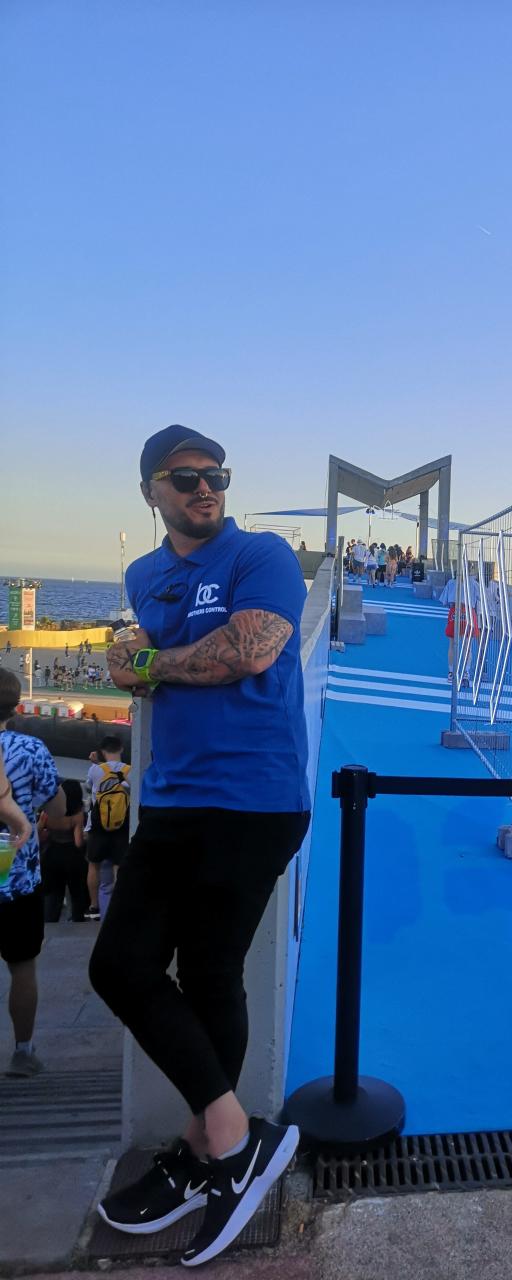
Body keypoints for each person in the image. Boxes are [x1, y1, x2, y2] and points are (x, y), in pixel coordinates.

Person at [89, 424, 311, 1267]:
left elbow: (250, 652)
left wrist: (149, 663)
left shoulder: (264, 556)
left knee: (207, 971)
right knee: (127, 966)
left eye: (215, 474)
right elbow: (136, 656)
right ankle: (223, 1141)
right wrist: (138, 657)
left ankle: (213, 1147)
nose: (204, 488)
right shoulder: (145, 574)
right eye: (183, 478)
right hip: (173, 797)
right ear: (150, 491)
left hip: (253, 800)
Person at [0, 669, 66, 1077]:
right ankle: (23, 1052)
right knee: (22, 966)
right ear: (15, 704)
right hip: (17, 873)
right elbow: (56, 811)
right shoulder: (30, 748)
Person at [85, 735, 131, 921]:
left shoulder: (95, 770)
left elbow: (89, 788)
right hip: (122, 825)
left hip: (98, 826)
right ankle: (119, 905)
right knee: (118, 866)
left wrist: (96, 763)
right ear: (121, 749)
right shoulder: (130, 770)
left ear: (102, 751)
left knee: (93, 864)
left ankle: (94, 905)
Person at [40, 778, 88, 923]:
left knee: (53, 894)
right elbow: (78, 842)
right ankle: (77, 920)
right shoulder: (77, 816)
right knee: (76, 893)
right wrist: (87, 838)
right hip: (72, 857)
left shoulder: (47, 812)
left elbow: (41, 834)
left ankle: (49, 922)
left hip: (51, 854)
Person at [439, 570, 481, 683]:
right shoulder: (473, 583)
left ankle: (451, 673)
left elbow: (444, 601)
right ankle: (466, 673)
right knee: (467, 646)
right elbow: (481, 598)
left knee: (452, 644)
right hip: (468, 612)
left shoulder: (451, 582)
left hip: (455, 610)